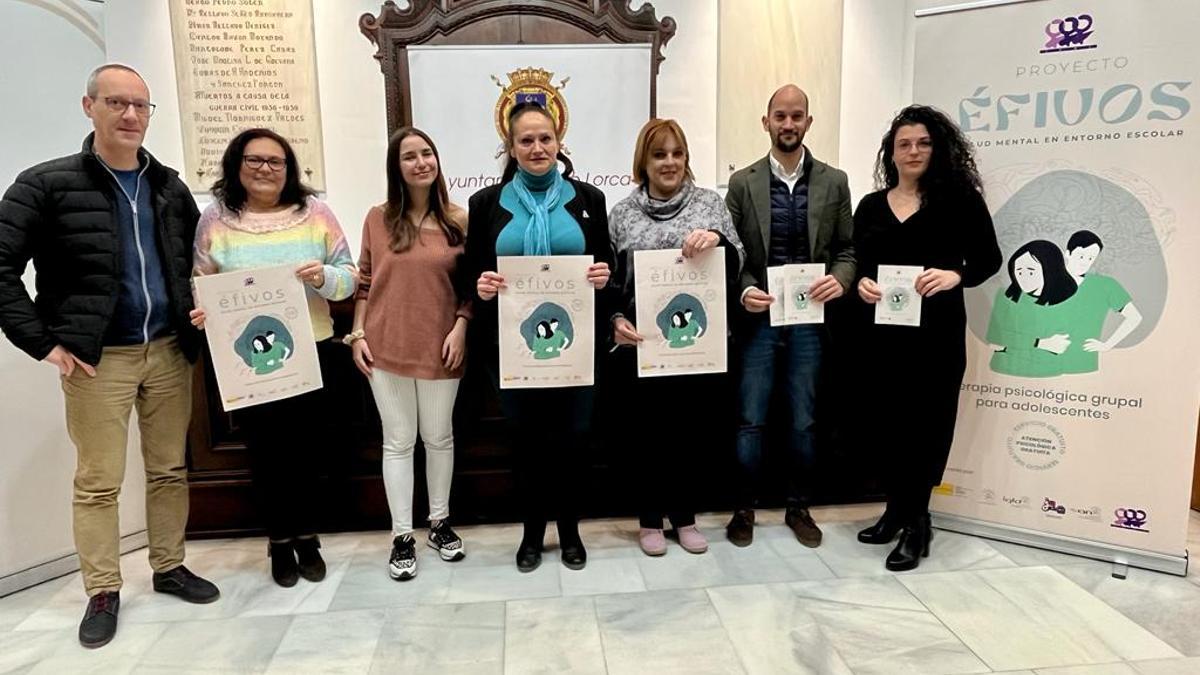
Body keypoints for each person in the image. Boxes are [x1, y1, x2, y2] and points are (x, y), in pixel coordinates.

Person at [0, 64, 219, 648]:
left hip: (170, 352)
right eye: (117, 103)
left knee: (170, 468)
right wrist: (42, 341)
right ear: (88, 105)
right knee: (98, 482)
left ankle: (169, 566)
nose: (130, 116)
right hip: (99, 361)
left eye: (140, 106)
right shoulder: (45, 185)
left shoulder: (170, 187)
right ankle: (102, 588)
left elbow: (192, 267)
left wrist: (200, 308)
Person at [190, 128, 357, 587]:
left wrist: (323, 276)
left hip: (313, 350)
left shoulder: (315, 214)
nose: (265, 169)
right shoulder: (216, 220)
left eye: (275, 161)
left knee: (307, 450)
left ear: (289, 168)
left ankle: (307, 535)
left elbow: (349, 278)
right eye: (254, 160)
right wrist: (203, 309)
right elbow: (199, 282)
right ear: (236, 166)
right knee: (265, 453)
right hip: (247, 361)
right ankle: (279, 541)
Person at [466, 101, 613, 572]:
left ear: (559, 142)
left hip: (576, 349)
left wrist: (603, 277)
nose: (537, 147)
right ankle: (531, 534)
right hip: (512, 350)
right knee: (526, 443)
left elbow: (606, 261)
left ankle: (569, 531)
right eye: (526, 140)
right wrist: (482, 284)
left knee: (572, 442)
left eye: (545, 138)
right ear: (510, 147)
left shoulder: (589, 200)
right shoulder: (485, 204)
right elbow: (473, 268)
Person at [853, 104, 1001, 571]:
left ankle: (918, 521)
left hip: (935, 337)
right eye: (904, 144)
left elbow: (989, 259)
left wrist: (956, 275)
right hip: (882, 338)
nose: (913, 151)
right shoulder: (871, 206)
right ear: (891, 153)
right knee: (886, 426)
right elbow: (857, 262)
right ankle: (896, 509)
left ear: (937, 149)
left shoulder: (958, 200)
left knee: (928, 427)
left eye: (922, 142)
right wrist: (861, 283)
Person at [723, 84, 856, 548]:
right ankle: (744, 508)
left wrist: (841, 278)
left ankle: (798, 507)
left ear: (808, 122)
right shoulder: (742, 183)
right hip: (760, 318)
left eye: (797, 115)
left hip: (810, 319)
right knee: (750, 417)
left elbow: (848, 249)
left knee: (803, 418)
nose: (788, 124)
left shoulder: (835, 181)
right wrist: (744, 291)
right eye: (780, 115)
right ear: (766, 122)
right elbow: (731, 256)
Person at [608, 118, 744, 556]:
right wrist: (614, 319)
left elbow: (738, 261)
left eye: (676, 153)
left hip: (696, 347)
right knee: (645, 434)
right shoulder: (622, 213)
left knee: (690, 432)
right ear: (642, 163)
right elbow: (610, 278)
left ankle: (684, 517)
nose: (669, 162)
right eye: (658, 154)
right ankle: (649, 519)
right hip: (644, 345)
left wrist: (718, 240)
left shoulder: (710, 205)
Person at [347, 126, 470, 581]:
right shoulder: (377, 219)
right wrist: (357, 333)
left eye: (427, 154)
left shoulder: (460, 218)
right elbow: (363, 280)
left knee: (439, 438)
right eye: (409, 157)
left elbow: (473, 287)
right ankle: (402, 534)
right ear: (395, 168)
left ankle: (439, 523)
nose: (421, 162)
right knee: (398, 442)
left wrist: (462, 327)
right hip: (386, 348)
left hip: (443, 346)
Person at [986, 240, 1076, 377]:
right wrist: (1040, 343)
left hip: (1049, 374)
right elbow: (995, 340)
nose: (1024, 278)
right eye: (1019, 272)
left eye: (1031, 272)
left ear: (1050, 269)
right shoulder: (1006, 297)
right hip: (1003, 371)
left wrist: (1013, 344)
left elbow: (1061, 345)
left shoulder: (1065, 301)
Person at [1059, 230, 1141, 374]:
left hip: (1082, 363)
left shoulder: (1105, 286)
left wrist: (1107, 345)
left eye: (1091, 258)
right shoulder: (1044, 282)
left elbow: (1134, 317)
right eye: (1081, 256)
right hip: (1041, 362)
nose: (1085, 262)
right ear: (1068, 254)